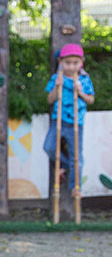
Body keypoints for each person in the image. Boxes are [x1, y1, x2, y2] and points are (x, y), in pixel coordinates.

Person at [43, 43, 95, 203]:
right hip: (58, 120)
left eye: (75, 63)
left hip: (76, 123)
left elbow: (91, 100)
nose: (71, 67)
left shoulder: (84, 79)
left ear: (81, 62)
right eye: (67, 63)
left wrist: (80, 92)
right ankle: (64, 165)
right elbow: (49, 99)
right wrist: (56, 87)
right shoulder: (56, 78)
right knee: (49, 147)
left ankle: (75, 187)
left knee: (76, 156)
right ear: (60, 62)